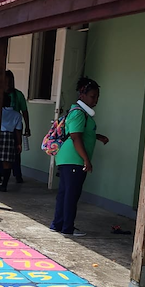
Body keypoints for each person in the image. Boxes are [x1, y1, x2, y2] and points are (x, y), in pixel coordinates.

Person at [50, 77, 108, 237]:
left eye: (97, 97)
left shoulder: (80, 112)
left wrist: (97, 137)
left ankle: (57, 224)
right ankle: (67, 227)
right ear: (82, 95)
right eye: (92, 96)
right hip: (73, 159)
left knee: (65, 192)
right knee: (71, 194)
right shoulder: (79, 113)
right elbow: (75, 136)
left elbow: (81, 133)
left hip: (68, 158)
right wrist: (86, 160)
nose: (95, 100)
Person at [0, 70, 30, 183]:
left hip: (14, 129)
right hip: (1, 129)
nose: (7, 84)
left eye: (9, 81)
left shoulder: (18, 95)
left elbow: (24, 111)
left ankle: (17, 175)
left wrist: (27, 126)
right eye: (5, 81)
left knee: (14, 154)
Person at [0, 92, 24, 191]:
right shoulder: (17, 114)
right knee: (7, 162)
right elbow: (18, 130)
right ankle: (4, 184)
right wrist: (19, 143)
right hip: (10, 136)